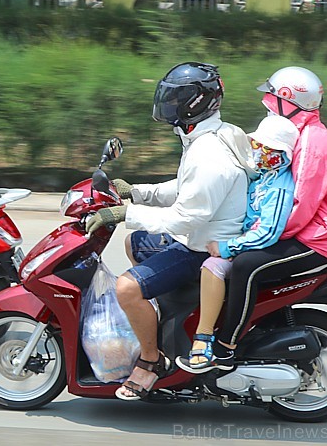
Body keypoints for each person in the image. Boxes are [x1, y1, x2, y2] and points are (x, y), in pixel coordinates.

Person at [85, 62, 255, 401]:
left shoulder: (210, 154)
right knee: (136, 243)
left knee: (127, 288)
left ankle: (151, 360)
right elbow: (187, 187)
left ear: (194, 102)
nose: (168, 103)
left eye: (176, 97)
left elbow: (185, 218)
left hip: (201, 247)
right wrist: (139, 192)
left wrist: (125, 212)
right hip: (200, 235)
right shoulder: (212, 134)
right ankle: (168, 323)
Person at [205, 66, 327, 370]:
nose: (266, 100)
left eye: (271, 95)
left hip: (320, 239)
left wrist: (248, 239)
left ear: (288, 100)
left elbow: (299, 207)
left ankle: (224, 348)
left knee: (247, 266)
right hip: (311, 230)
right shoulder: (295, 133)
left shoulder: (314, 145)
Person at [175, 114, 299, 373]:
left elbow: (268, 232)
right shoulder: (262, 176)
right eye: (259, 145)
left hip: (252, 247)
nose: (260, 151)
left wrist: (227, 247)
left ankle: (204, 339)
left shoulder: (279, 186)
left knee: (212, 266)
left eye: (268, 148)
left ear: (282, 154)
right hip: (240, 239)